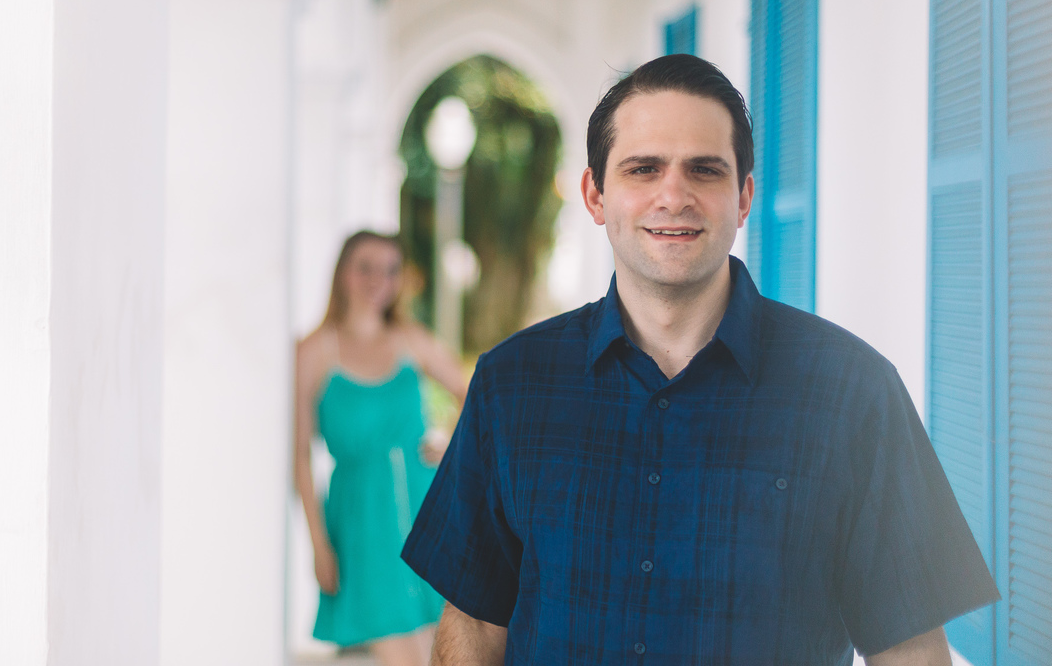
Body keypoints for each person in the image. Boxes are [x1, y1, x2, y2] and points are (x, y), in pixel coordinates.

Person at [401, 55, 1000, 666]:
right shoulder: (511, 385)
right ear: (595, 195)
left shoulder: (853, 391)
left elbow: (909, 648)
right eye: (643, 169)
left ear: (742, 198)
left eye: (704, 170)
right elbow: (474, 625)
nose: (674, 196)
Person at [295, 230, 468, 666]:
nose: (379, 280)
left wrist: (453, 445)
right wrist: (318, 544)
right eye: (366, 268)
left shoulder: (409, 339)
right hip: (361, 521)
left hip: (425, 507)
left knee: (444, 653)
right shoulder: (314, 351)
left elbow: (474, 393)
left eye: (390, 270)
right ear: (343, 273)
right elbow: (298, 456)